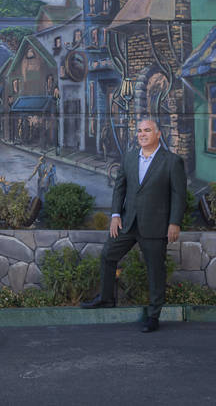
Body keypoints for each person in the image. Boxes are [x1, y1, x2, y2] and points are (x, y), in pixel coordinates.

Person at [81, 118, 185, 334]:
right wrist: (115, 215)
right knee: (108, 255)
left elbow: (178, 195)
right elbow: (120, 188)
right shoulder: (129, 158)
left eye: (147, 130)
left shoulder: (172, 161)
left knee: (155, 270)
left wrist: (174, 222)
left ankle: (154, 315)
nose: (142, 134)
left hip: (156, 226)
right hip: (128, 223)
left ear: (158, 134)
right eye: (139, 131)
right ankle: (107, 298)